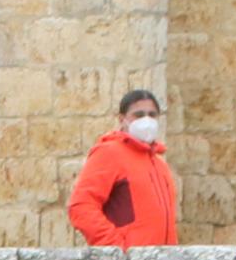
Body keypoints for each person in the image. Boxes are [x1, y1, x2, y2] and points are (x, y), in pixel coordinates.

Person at [68, 89, 181, 248]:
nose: (146, 120)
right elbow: (81, 206)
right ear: (122, 119)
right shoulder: (109, 153)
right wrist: (116, 248)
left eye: (152, 115)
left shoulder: (159, 164)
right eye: (139, 115)